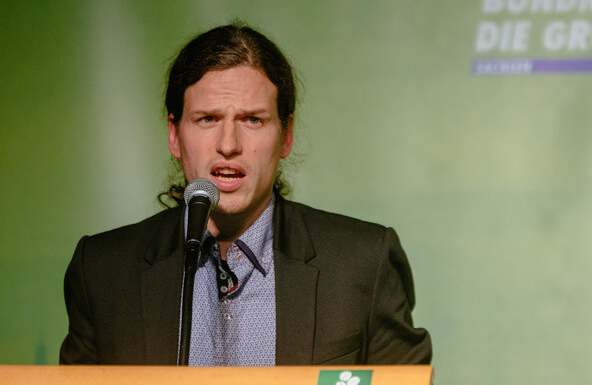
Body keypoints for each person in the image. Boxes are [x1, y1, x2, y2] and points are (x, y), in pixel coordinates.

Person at [60, 23, 432, 365]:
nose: (228, 144)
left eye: (252, 120)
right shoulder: (102, 272)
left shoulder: (362, 262)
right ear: (174, 134)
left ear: (285, 135)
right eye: (207, 119)